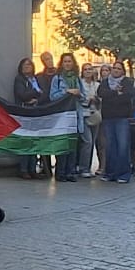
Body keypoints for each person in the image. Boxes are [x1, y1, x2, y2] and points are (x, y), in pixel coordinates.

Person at [49, 53, 84, 181]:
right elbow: (52, 96)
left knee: (73, 145)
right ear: (61, 63)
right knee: (63, 144)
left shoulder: (77, 79)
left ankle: (71, 171)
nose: (67, 64)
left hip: (75, 115)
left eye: (70, 61)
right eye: (65, 61)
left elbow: (83, 97)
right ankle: (61, 172)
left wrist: (79, 93)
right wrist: (67, 91)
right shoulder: (57, 78)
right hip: (62, 115)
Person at [98, 60, 134, 181]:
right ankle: (110, 173)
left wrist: (113, 97)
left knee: (122, 146)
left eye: (119, 68)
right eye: (114, 68)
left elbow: (127, 96)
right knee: (110, 146)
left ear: (123, 71)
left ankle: (123, 174)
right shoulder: (105, 82)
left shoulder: (127, 82)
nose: (116, 70)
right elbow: (101, 93)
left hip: (122, 118)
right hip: (108, 118)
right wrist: (115, 93)